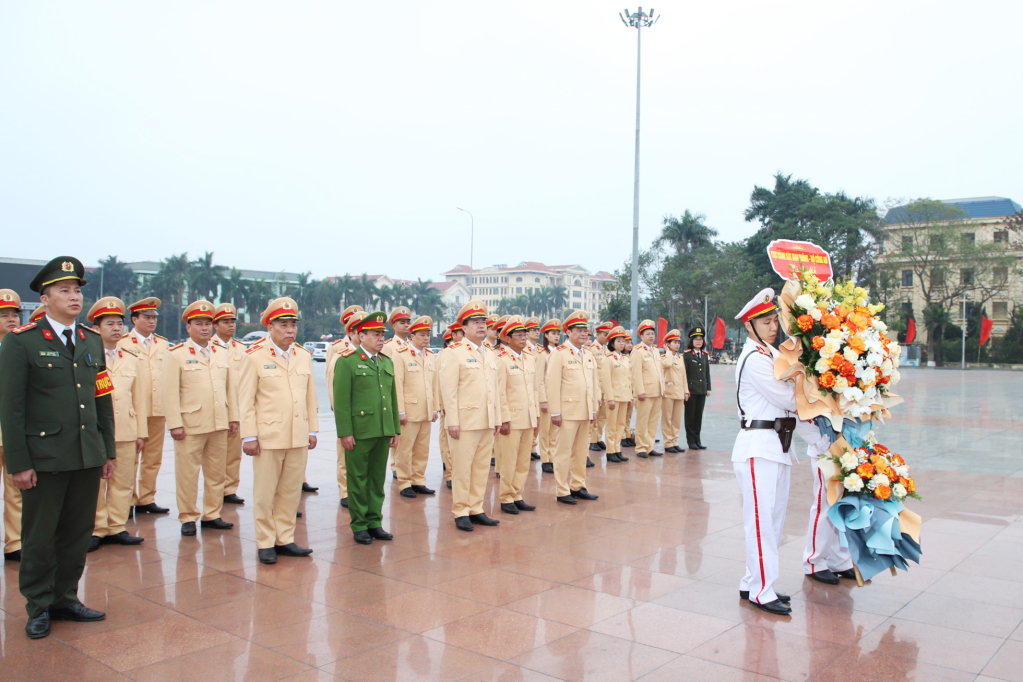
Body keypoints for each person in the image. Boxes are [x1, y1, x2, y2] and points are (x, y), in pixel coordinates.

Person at [0, 257, 115, 639]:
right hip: (45, 457)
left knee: (77, 533)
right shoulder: (22, 341)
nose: (74, 296)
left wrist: (107, 451)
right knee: (39, 536)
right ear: (44, 298)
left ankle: (65, 598)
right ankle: (38, 605)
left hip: (86, 455)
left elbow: (102, 398)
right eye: (64, 290)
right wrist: (19, 462)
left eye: (77, 289)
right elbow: (11, 408)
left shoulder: (91, 340)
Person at [732, 288, 828, 615]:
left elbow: (791, 410)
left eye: (775, 321)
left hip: (777, 445)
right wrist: (821, 388)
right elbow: (789, 399)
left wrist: (818, 439)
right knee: (761, 523)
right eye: (766, 322)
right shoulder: (755, 359)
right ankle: (762, 590)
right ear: (749, 325)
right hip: (759, 447)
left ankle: (752, 582)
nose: (774, 327)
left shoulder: (770, 355)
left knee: (772, 521)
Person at [240, 297, 318, 564]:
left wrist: (312, 430)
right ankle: (265, 542)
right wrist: (249, 436)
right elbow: (245, 400)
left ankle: (284, 538)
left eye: (293, 325)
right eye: (283, 325)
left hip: (297, 435)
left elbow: (310, 397)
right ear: (270, 327)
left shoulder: (303, 355)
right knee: (265, 493)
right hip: (268, 437)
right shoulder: (254, 356)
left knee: (290, 491)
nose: (290, 330)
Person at [164, 300, 239, 537]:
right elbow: (169, 393)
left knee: (216, 473)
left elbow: (229, 388)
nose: (204, 328)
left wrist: (233, 417)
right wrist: (175, 424)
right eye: (198, 324)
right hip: (190, 425)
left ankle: (212, 514)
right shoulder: (176, 354)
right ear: (188, 327)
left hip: (218, 422)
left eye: (207, 323)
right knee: (187, 474)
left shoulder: (221, 352)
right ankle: (188, 517)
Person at [333, 311, 399, 545]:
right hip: (360, 432)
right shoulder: (347, 361)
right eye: (375, 334)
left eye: (382, 334)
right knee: (358, 480)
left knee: (377, 480)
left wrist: (394, 429)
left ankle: (374, 522)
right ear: (361, 336)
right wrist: (345, 432)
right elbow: (342, 401)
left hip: (382, 430)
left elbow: (392, 398)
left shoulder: (386, 361)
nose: (381, 339)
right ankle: (359, 524)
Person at [87, 297, 147, 552]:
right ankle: (96, 529)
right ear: (96, 328)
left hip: (125, 429)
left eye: (119, 324)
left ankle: (117, 527)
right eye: (109, 324)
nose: (116, 328)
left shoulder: (131, 357)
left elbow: (139, 399)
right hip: (96, 431)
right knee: (96, 484)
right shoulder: (87, 357)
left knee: (123, 481)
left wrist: (141, 432)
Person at [439, 301, 502, 531]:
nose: (481, 326)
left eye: (483, 322)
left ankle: (476, 508)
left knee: (481, 468)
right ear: (463, 328)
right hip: (464, 422)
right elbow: (449, 392)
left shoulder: (490, 353)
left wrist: (497, 418)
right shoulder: (453, 353)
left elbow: (494, 389)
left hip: (486, 421)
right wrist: (452, 422)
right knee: (462, 469)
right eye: (475, 322)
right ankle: (461, 511)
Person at [119, 297, 171, 515]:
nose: (151, 321)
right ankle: (128, 500)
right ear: (134, 319)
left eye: (154, 318)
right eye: (147, 317)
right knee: (130, 457)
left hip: (157, 408)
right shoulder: (123, 343)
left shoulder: (163, 344)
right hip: (133, 409)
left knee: (153, 458)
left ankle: (147, 498)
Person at [546, 311, 599, 504]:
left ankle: (578, 485)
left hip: (585, 410)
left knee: (581, 452)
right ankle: (562, 490)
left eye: (585, 330)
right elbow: (552, 384)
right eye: (579, 330)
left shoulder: (588, 354)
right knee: (563, 452)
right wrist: (555, 412)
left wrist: (594, 408)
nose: (584, 333)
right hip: (567, 412)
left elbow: (593, 384)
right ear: (568, 332)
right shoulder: (559, 354)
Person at [495, 315, 538, 514]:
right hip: (511, 419)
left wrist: (535, 415)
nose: (523, 338)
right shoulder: (502, 360)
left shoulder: (529, 359)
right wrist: (504, 419)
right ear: (507, 338)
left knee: (523, 461)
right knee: (509, 461)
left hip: (528, 417)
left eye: (524, 335)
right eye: (518, 335)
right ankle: (506, 497)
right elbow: (500, 392)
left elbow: (534, 390)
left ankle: (517, 494)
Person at [393, 316, 439, 499]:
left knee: (422, 449)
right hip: (409, 411)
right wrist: (400, 411)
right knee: (405, 449)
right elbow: (397, 385)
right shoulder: (401, 355)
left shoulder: (430, 355)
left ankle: (418, 480)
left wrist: (435, 408)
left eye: (428, 335)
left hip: (426, 410)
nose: (426, 338)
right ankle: (404, 482)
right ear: (412, 336)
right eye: (422, 335)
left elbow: (434, 384)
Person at [324, 305, 364, 507]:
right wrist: (337, 407)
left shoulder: (372, 350)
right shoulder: (338, 349)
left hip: (366, 413)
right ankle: (346, 491)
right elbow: (332, 379)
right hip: (347, 410)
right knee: (345, 451)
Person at [802, 438, 857, 584]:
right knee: (825, 503)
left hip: (848, 445)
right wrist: (818, 440)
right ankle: (814, 560)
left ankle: (839, 560)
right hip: (824, 446)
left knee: (843, 502)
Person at [212, 303, 247, 505]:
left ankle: (229, 489)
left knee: (234, 453)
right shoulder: (208, 346)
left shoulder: (241, 349)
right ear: (215, 325)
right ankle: (216, 490)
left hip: (237, 408)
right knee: (215, 455)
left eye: (232, 321)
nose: (231, 325)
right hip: (215, 407)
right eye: (225, 322)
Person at [0, 289, 24, 564]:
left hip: (15, 432)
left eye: (14, 315)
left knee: (17, 490)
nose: (11, 319)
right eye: (4, 315)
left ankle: (15, 543)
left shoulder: (22, 348)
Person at [381, 306, 412, 480]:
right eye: (402, 322)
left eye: (408, 322)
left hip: (410, 397)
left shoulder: (411, 345)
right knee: (397, 435)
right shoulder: (388, 346)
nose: (406, 325)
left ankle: (406, 468)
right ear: (393, 325)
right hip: (394, 394)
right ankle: (395, 466)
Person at [631, 320, 665, 458]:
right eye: (648, 334)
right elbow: (636, 373)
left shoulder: (655, 350)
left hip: (656, 391)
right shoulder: (637, 351)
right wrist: (640, 391)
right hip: (644, 393)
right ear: (641, 336)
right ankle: (641, 448)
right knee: (642, 421)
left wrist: (662, 388)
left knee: (653, 422)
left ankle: (650, 446)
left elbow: (660, 371)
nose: (651, 336)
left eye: (652, 334)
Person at [600, 326, 632, 463]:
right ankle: (610, 451)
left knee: (621, 424)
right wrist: (610, 398)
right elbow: (606, 381)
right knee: (611, 425)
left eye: (623, 341)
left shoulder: (625, 358)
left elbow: (628, 379)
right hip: (614, 397)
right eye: (618, 341)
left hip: (624, 396)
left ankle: (617, 449)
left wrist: (630, 397)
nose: (622, 343)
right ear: (612, 344)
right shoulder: (608, 359)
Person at [535, 318, 560, 475]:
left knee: (555, 431)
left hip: (557, 397)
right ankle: (545, 459)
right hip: (546, 398)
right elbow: (539, 380)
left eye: (558, 333)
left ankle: (553, 457)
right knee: (545, 431)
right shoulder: (541, 354)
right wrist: (542, 400)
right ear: (546, 335)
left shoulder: (559, 353)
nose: (556, 336)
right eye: (553, 333)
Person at [660, 329, 690, 454]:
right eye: (674, 342)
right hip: (668, 392)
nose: (677, 345)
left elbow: (683, 375)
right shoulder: (663, 357)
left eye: (678, 342)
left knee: (676, 419)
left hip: (679, 392)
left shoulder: (680, 357)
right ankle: (668, 442)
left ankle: (674, 441)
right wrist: (667, 352)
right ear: (668, 344)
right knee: (667, 418)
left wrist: (686, 391)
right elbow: (666, 365)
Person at [683, 326, 711, 450]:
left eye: (700, 339)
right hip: (691, 390)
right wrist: (685, 390)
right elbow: (684, 374)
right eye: (696, 339)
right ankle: (691, 441)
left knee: (698, 416)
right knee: (690, 417)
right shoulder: (687, 355)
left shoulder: (704, 355)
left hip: (701, 390)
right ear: (691, 341)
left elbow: (707, 372)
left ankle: (697, 440)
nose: (698, 341)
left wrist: (708, 388)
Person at [588, 321, 612, 454]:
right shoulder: (592, 349)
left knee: (603, 416)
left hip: (605, 387)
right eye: (605, 334)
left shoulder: (607, 349)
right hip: (596, 387)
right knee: (595, 415)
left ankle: (597, 438)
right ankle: (592, 440)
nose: (607, 337)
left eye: (608, 334)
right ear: (598, 334)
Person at [621, 334, 635, 447]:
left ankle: (627, 435)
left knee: (628, 415)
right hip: (622, 389)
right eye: (627, 342)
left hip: (632, 389)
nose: (629, 345)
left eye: (631, 343)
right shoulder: (619, 357)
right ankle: (622, 437)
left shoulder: (632, 356)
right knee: (622, 415)